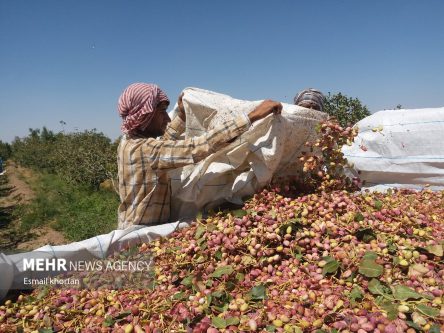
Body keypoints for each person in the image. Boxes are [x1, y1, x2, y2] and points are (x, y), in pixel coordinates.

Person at [117, 83, 282, 229]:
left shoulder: (129, 143)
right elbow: (199, 146)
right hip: (138, 234)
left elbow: (164, 146)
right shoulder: (144, 150)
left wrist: (181, 117)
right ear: (144, 115)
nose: (167, 119)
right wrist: (251, 116)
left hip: (140, 227)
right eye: (161, 112)